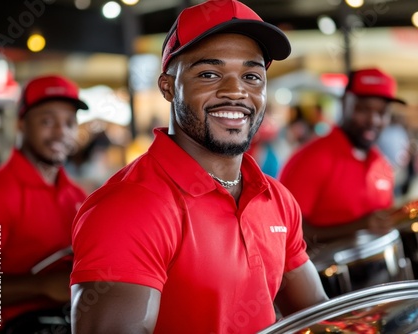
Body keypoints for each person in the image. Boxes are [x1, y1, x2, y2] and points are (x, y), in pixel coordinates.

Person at [70, 1, 328, 333]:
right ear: (167, 87)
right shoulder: (130, 207)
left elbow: (317, 317)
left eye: (251, 76)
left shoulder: (275, 199)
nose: (236, 91)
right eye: (209, 74)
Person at [0, 75, 88, 333]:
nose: (61, 132)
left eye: (69, 122)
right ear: (21, 123)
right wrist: (41, 286)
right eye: (47, 121)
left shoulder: (77, 196)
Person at [279, 68, 406, 244]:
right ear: (345, 104)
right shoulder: (312, 158)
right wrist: (358, 227)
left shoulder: (382, 165)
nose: (373, 120)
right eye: (363, 109)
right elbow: (283, 229)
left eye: (382, 113)